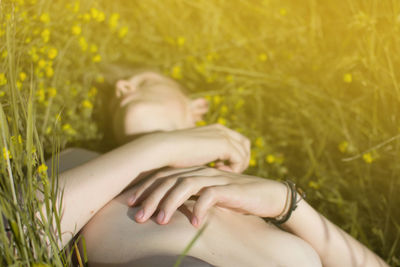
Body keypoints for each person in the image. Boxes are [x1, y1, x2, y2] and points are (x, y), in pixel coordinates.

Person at [49, 70, 387, 266]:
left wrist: (289, 205)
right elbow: (12, 233)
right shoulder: (83, 162)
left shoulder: (251, 202)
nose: (122, 88)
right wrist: (164, 146)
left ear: (198, 107)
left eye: (144, 81)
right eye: (119, 91)